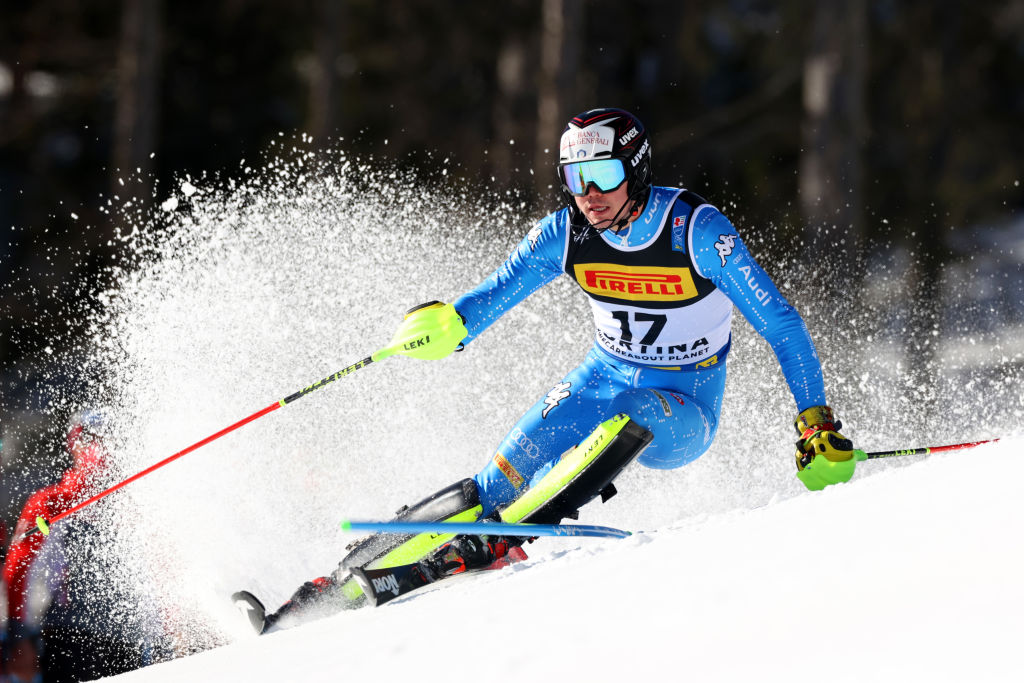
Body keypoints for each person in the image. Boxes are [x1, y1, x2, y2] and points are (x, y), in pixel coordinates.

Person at [255, 107, 855, 631]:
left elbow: (780, 323)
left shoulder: (695, 232)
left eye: (603, 175)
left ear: (636, 171)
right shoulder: (565, 233)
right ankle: (330, 586)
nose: (589, 194)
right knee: (491, 484)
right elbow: (489, 299)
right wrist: (445, 328)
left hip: (683, 408)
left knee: (628, 415)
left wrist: (814, 422)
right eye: (575, 178)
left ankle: (488, 545)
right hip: (602, 378)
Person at [1, 410, 148, 682]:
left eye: (108, 438)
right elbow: (20, 570)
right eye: (90, 438)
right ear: (74, 443)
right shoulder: (50, 502)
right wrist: (20, 635)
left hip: (131, 638)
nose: (100, 447)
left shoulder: (138, 500)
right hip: (71, 636)